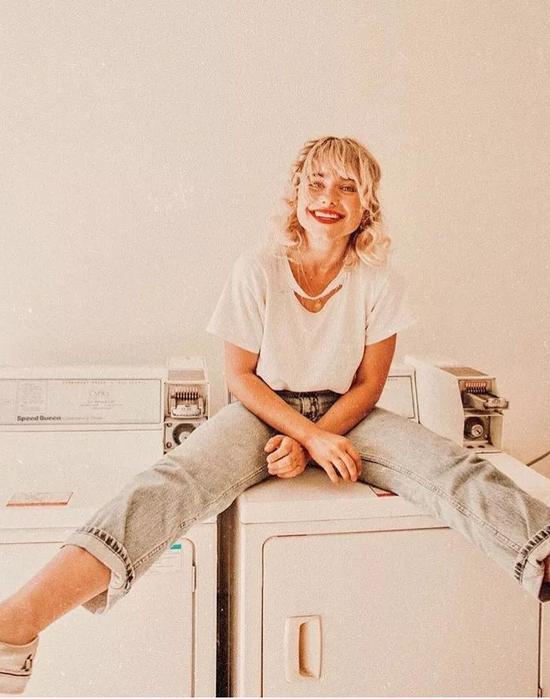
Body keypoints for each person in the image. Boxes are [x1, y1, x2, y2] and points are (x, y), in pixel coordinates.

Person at [1, 136, 549, 695]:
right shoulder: (258, 269)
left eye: (347, 187)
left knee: (452, 467)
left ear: (366, 206)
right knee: (173, 480)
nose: (328, 198)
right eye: (316, 183)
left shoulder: (379, 282)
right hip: (262, 410)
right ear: (297, 194)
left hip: (348, 413)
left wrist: (314, 439)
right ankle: (16, 625)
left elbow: (368, 385)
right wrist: (305, 435)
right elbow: (240, 377)